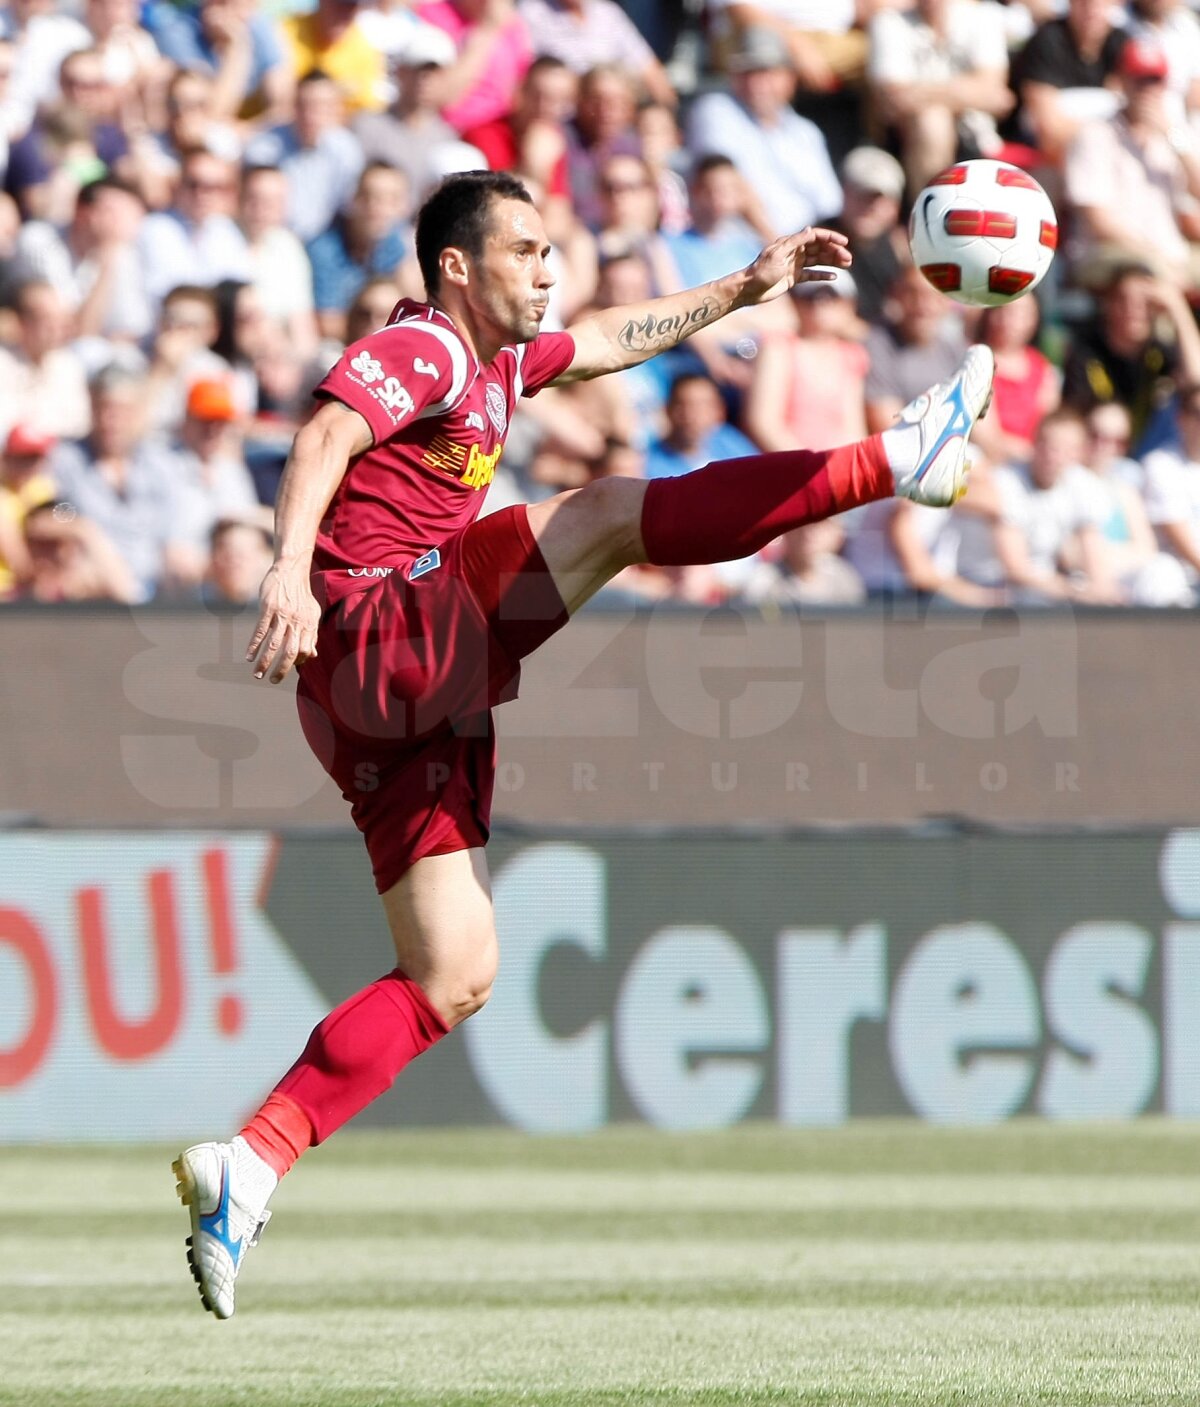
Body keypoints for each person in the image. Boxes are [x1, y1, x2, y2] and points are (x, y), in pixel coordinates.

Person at [171, 168, 996, 1320]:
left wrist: (742, 287)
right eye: (525, 250)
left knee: (453, 972)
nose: (547, 269)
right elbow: (323, 435)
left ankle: (252, 1163)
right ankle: (895, 460)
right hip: (373, 624)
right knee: (608, 513)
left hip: (381, 700)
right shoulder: (429, 348)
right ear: (457, 266)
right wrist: (286, 573)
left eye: (551, 249)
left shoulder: (501, 363)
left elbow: (609, 340)